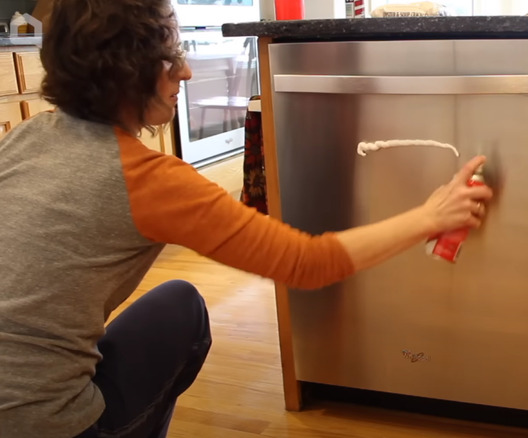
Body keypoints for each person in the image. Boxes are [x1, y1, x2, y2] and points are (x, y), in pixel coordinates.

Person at [0, 0, 493, 437]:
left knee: (179, 303)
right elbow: (307, 263)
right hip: (45, 422)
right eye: (172, 59)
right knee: (186, 317)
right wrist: (430, 216)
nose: (186, 74)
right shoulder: (147, 179)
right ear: (129, 71)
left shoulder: (24, 137)